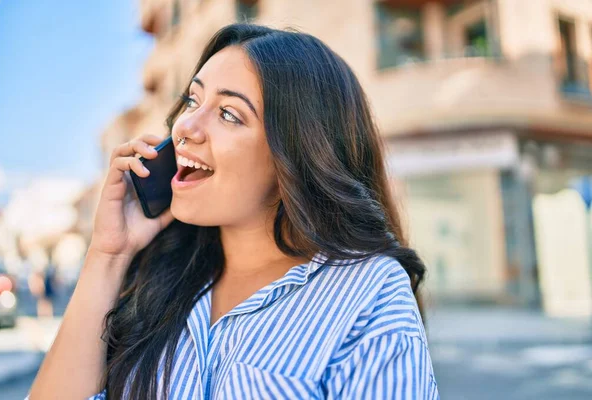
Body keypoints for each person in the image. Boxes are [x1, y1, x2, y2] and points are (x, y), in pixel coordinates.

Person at [28, 23, 439, 399]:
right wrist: (108, 255)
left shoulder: (367, 293)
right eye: (193, 99)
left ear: (295, 156)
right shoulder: (157, 279)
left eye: (229, 114)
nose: (186, 127)